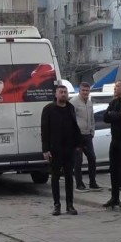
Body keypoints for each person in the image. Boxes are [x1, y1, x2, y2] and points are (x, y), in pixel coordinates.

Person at [41, 85, 82, 216]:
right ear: (56, 94)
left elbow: (75, 126)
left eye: (65, 92)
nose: (63, 94)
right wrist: (46, 149)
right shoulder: (48, 109)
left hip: (69, 148)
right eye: (61, 92)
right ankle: (57, 205)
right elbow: (44, 130)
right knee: (55, 177)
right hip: (55, 149)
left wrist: (78, 144)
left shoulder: (70, 108)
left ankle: (70, 205)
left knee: (69, 176)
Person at [102, 80, 121, 208]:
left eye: (118, 86)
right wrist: (117, 114)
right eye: (115, 86)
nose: (115, 88)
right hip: (114, 141)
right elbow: (106, 117)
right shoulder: (113, 102)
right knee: (113, 169)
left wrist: (115, 115)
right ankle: (114, 197)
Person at [70, 82, 100, 192]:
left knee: (92, 158)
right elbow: (71, 120)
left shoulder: (90, 103)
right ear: (79, 90)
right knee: (78, 161)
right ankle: (79, 184)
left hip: (88, 135)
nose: (85, 92)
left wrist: (92, 131)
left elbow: (92, 118)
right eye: (83, 90)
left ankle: (93, 182)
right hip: (77, 136)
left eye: (87, 90)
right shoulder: (73, 102)